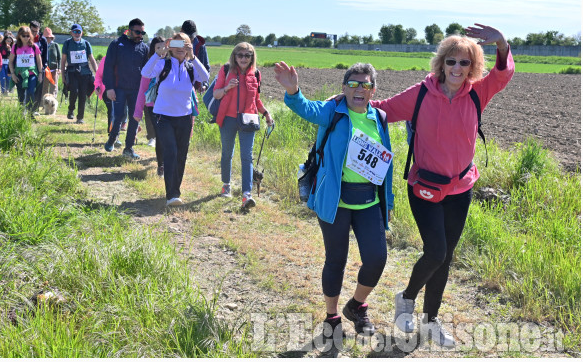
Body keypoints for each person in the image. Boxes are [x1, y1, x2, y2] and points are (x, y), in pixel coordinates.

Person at [368, 24, 514, 348]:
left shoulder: (478, 92)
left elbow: (503, 74)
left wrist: (502, 42)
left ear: (472, 66)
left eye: (464, 63)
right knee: (435, 251)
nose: (457, 68)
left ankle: (430, 321)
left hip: (460, 189)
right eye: (451, 61)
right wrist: (349, 101)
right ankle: (405, 299)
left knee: (445, 258)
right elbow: (384, 110)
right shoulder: (421, 93)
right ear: (441, 63)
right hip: (424, 188)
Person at [274, 61, 394, 341]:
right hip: (335, 201)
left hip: (368, 203)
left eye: (365, 84)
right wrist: (294, 91)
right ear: (343, 88)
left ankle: (356, 305)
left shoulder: (380, 118)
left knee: (376, 259)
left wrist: (387, 201)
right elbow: (306, 108)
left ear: (373, 90)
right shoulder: (333, 112)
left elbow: (383, 166)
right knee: (336, 260)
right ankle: (332, 316)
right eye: (353, 84)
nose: (359, 89)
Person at [134, 32, 209, 206]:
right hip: (163, 116)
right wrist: (159, 54)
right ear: (170, 46)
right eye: (176, 44)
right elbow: (145, 73)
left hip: (184, 117)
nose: (180, 48)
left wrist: (193, 56)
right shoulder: (163, 64)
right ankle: (172, 195)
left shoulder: (190, 67)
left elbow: (205, 77)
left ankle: (176, 191)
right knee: (171, 152)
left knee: (181, 155)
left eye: (185, 44)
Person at [212, 43, 274, 209]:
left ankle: (247, 194)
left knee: (247, 156)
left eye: (248, 55)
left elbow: (257, 100)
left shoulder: (256, 74)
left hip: (248, 119)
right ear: (234, 56)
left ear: (252, 57)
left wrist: (266, 114)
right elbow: (216, 94)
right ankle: (226, 185)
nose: (244, 58)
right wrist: (227, 88)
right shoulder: (225, 70)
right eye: (240, 55)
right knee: (227, 153)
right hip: (227, 119)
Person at [103, 18, 150, 159]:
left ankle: (128, 148)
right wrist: (109, 88)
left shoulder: (144, 48)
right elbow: (108, 67)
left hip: (137, 90)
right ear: (129, 30)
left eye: (143, 32)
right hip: (119, 88)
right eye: (137, 32)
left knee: (134, 119)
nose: (140, 35)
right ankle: (112, 139)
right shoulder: (117, 44)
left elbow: (147, 71)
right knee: (118, 117)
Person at [134, 37, 168, 174]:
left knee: (167, 135)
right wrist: (137, 112)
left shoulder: (171, 63)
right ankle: (161, 165)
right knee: (159, 135)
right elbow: (142, 90)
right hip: (153, 106)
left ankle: (167, 161)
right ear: (153, 50)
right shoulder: (150, 66)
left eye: (163, 47)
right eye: (157, 48)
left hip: (168, 105)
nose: (161, 50)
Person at [61, 24, 98, 124]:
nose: (77, 34)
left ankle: (80, 117)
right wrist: (63, 76)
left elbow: (92, 59)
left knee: (82, 95)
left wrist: (97, 73)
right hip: (72, 72)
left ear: (82, 33)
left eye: (79, 32)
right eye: (75, 31)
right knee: (74, 91)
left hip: (85, 73)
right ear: (71, 33)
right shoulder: (67, 43)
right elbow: (63, 60)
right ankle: (71, 109)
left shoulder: (86, 44)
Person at [8, 26, 43, 115]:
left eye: (28, 36)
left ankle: (30, 112)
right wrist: (13, 74)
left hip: (31, 74)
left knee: (31, 92)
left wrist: (40, 73)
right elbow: (11, 61)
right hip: (19, 74)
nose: (26, 38)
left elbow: (39, 61)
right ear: (19, 36)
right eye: (23, 36)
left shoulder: (34, 47)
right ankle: (21, 112)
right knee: (21, 94)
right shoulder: (15, 47)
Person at [42, 27, 61, 99]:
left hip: (53, 69)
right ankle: (43, 103)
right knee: (44, 87)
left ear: (51, 37)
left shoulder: (55, 45)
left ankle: (52, 101)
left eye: (48, 37)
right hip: (45, 69)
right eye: (46, 37)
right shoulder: (42, 46)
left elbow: (59, 57)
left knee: (53, 86)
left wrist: (59, 68)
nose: (47, 39)